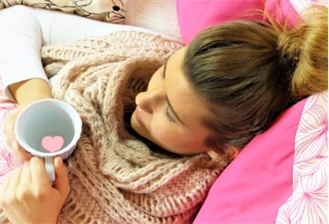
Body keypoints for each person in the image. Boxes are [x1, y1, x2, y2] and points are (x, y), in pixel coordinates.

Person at [0, 4, 327, 224]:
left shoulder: (169, 209)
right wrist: (34, 101)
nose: (144, 97)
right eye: (165, 72)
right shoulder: (141, 53)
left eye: (169, 112)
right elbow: (16, 19)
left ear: (220, 150)